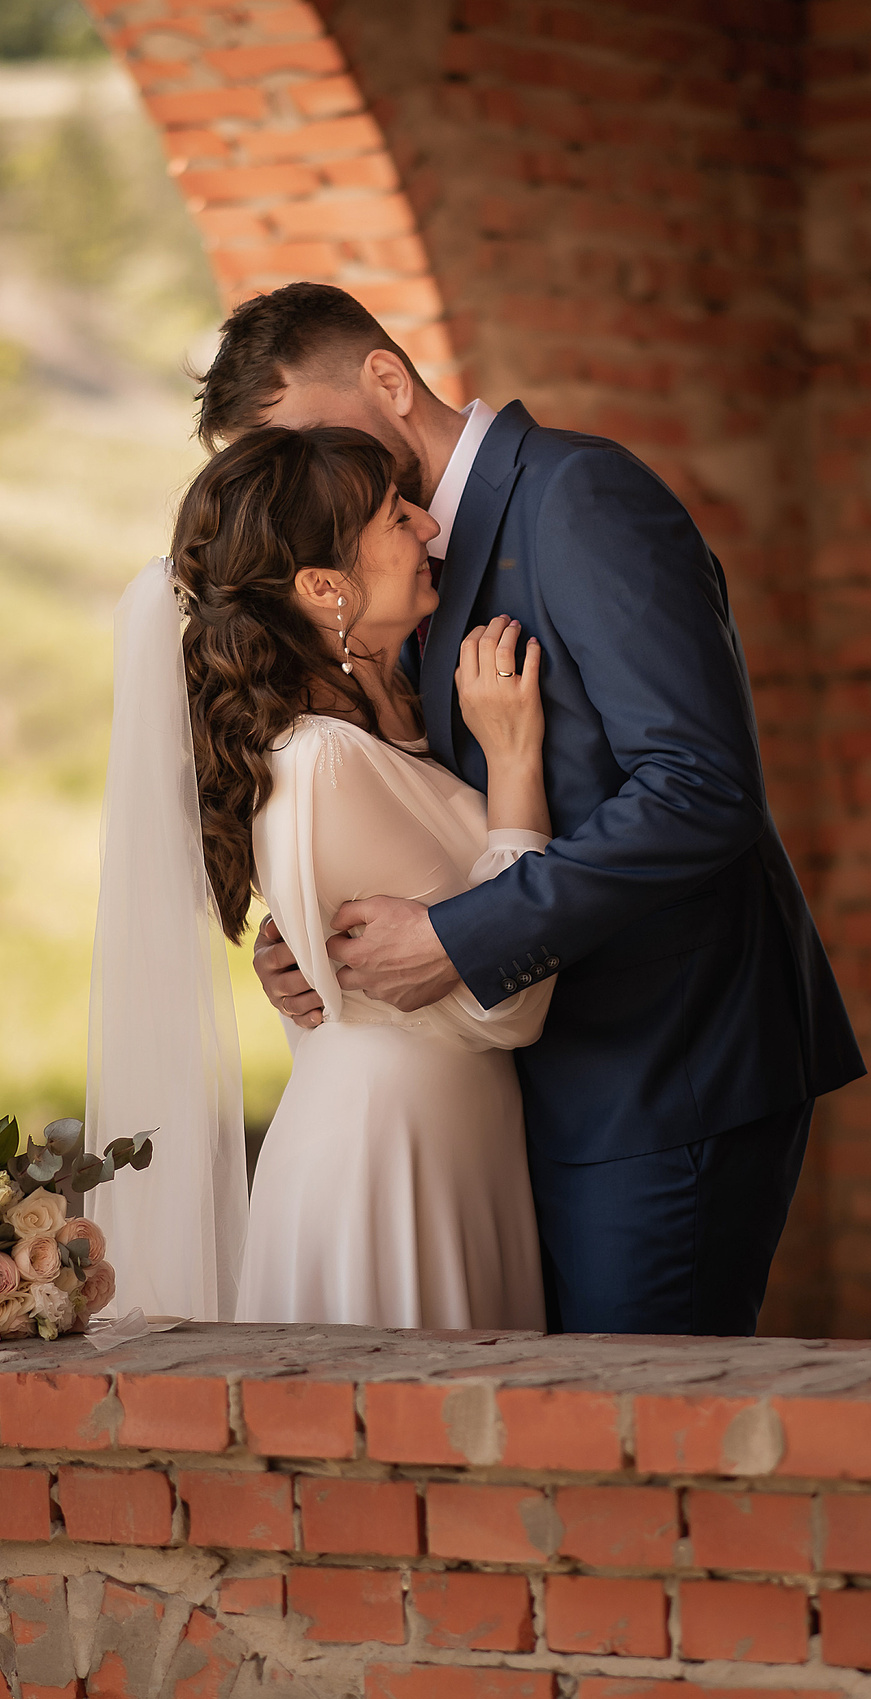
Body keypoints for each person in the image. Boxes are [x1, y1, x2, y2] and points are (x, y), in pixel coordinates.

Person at [203, 283, 866, 1336]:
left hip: (656, 1074)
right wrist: (313, 935)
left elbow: (700, 787)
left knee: (634, 1437)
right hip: (509, 1087)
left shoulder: (578, 499)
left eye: (313, 441)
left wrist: (459, 940)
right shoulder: (397, 562)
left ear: (386, 379)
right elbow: (408, 797)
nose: (314, 483)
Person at [84, 426, 559, 1329]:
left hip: (446, 1138)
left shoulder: (377, 726)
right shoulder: (321, 765)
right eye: (394, 514)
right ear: (324, 587)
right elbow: (515, 1004)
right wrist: (516, 762)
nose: (426, 524)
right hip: (389, 1162)